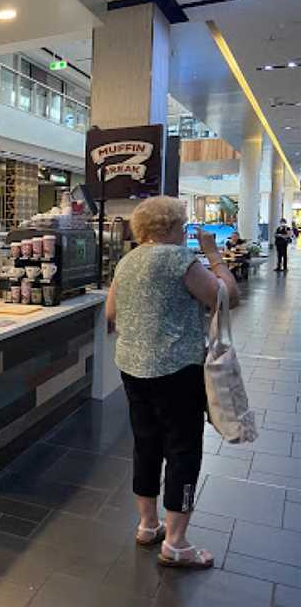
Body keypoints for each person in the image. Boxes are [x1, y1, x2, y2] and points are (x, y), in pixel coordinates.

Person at [107, 196, 239, 570]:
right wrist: (214, 257)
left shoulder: (127, 260)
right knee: (183, 449)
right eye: (182, 225)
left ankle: (149, 525)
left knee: (146, 445)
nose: (185, 232)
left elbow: (111, 312)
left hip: (132, 368)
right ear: (170, 227)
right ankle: (176, 543)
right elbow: (227, 298)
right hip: (176, 371)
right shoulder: (180, 258)